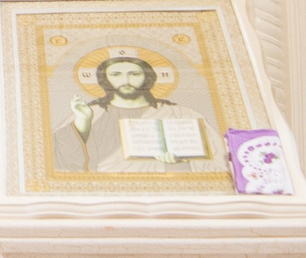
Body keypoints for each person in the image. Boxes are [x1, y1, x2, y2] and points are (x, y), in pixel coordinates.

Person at [53, 46, 221, 174]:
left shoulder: (180, 114)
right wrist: (82, 124)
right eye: (116, 74)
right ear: (105, 79)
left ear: (147, 77)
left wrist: (180, 163)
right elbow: (56, 159)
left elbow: (217, 162)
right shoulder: (90, 112)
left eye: (134, 74)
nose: (126, 80)